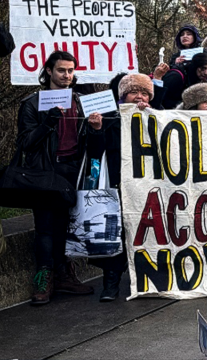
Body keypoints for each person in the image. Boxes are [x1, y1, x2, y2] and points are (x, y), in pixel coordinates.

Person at [17, 50, 102, 304]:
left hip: (72, 170)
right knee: (45, 227)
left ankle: (64, 275)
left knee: (66, 225)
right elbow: (25, 143)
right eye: (61, 70)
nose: (67, 75)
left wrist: (96, 129)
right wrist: (47, 123)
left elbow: (95, 145)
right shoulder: (32, 103)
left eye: (70, 71)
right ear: (49, 72)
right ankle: (43, 279)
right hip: (44, 172)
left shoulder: (82, 101)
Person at [93, 73, 154, 301]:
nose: (139, 96)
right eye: (133, 92)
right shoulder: (109, 117)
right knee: (116, 233)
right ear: (122, 95)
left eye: (144, 92)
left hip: (148, 186)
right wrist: (97, 130)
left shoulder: (159, 116)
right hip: (118, 184)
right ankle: (111, 283)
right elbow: (97, 151)